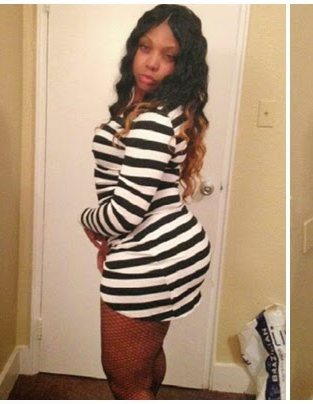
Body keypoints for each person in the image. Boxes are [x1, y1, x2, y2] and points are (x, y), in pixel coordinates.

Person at [80, 5, 211, 399]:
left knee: (124, 379)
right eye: (145, 47)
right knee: (146, 354)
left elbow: (124, 213)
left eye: (169, 56)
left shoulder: (152, 119)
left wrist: (87, 218)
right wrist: (112, 238)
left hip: (150, 257)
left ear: (183, 65)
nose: (152, 63)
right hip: (167, 248)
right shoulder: (165, 110)